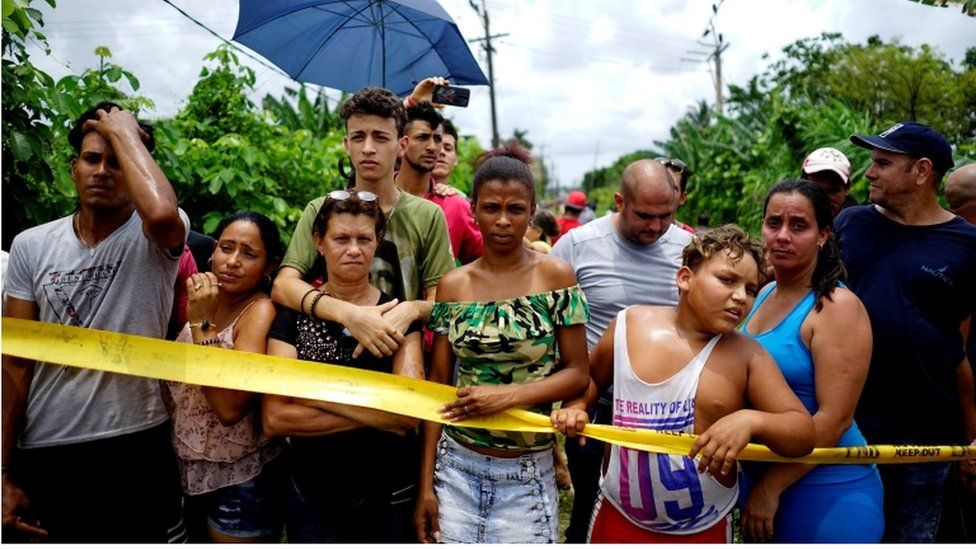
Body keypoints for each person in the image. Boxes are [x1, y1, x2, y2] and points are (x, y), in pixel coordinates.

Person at [552, 225, 816, 543]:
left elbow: (802, 433)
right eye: (727, 280)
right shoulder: (630, 325)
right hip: (617, 517)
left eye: (750, 289)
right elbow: (593, 377)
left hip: (706, 527)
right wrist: (578, 405)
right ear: (685, 278)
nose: (740, 297)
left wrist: (751, 420)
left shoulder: (746, 356)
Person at [2, 102, 188, 542]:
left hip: (136, 444)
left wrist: (123, 128)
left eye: (117, 161)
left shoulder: (156, 235)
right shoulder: (30, 245)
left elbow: (161, 212)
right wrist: (2, 469)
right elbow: (14, 364)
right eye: (91, 159)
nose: (102, 171)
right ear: (73, 169)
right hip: (47, 449)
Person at [414, 145, 590, 544]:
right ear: (473, 209)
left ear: (532, 212)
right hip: (457, 466)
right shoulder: (454, 285)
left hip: (528, 472)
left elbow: (579, 374)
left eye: (516, 209)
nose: (503, 221)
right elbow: (436, 387)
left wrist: (506, 397)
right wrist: (426, 486)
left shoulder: (556, 277)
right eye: (492, 207)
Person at [835, 121, 976, 542]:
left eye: (882, 162)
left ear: (921, 172)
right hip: (844, 428)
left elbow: (959, 347)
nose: (868, 173)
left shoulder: (967, 245)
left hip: (927, 439)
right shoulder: (850, 225)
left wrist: (970, 442)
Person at [262, 192, 424, 542]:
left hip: (390, 491)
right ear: (319, 243)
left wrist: (309, 396)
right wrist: (379, 411)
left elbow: (409, 414)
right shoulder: (292, 315)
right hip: (313, 494)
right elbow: (275, 417)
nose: (354, 249)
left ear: (377, 243)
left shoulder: (398, 316)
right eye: (341, 239)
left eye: (364, 239)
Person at [550, 158, 693, 543]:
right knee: (589, 508)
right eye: (645, 215)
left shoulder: (688, 249)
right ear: (619, 201)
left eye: (667, 215)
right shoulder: (578, 245)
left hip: (667, 410)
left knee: (656, 512)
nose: (656, 227)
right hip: (595, 406)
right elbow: (542, 311)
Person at [739, 180, 882, 542]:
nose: (782, 236)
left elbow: (834, 420)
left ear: (823, 235)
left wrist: (772, 486)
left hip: (826, 491)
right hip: (762, 482)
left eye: (798, 226)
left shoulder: (836, 307)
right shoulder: (765, 291)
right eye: (774, 223)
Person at [272, 86, 454, 360]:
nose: (368, 148)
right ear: (347, 144)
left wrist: (411, 310)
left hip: (403, 352)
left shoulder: (427, 215)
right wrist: (348, 314)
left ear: (402, 146)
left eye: (380, 137)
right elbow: (283, 285)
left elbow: (445, 301)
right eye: (359, 137)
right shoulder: (320, 209)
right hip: (327, 354)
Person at [163, 211, 285, 542]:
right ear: (213, 250)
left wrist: (202, 325)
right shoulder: (206, 299)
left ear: (269, 266)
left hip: (242, 479)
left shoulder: (259, 311)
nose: (232, 262)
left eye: (249, 254)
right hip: (193, 469)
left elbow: (230, 408)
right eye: (226, 248)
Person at [395, 103, 482, 264]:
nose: (432, 147)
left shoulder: (456, 206)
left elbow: (489, 262)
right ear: (402, 143)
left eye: (437, 139)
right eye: (422, 137)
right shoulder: (378, 196)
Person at [801, 147, 857, 217]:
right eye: (816, 190)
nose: (824, 198)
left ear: (847, 188)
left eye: (832, 191)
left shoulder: (857, 223)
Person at [656, 156, 695, 233]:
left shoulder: (688, 236)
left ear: (682, 198)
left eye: (672, 189)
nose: (664, 194)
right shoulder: (632, 230)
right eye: (658, 186)